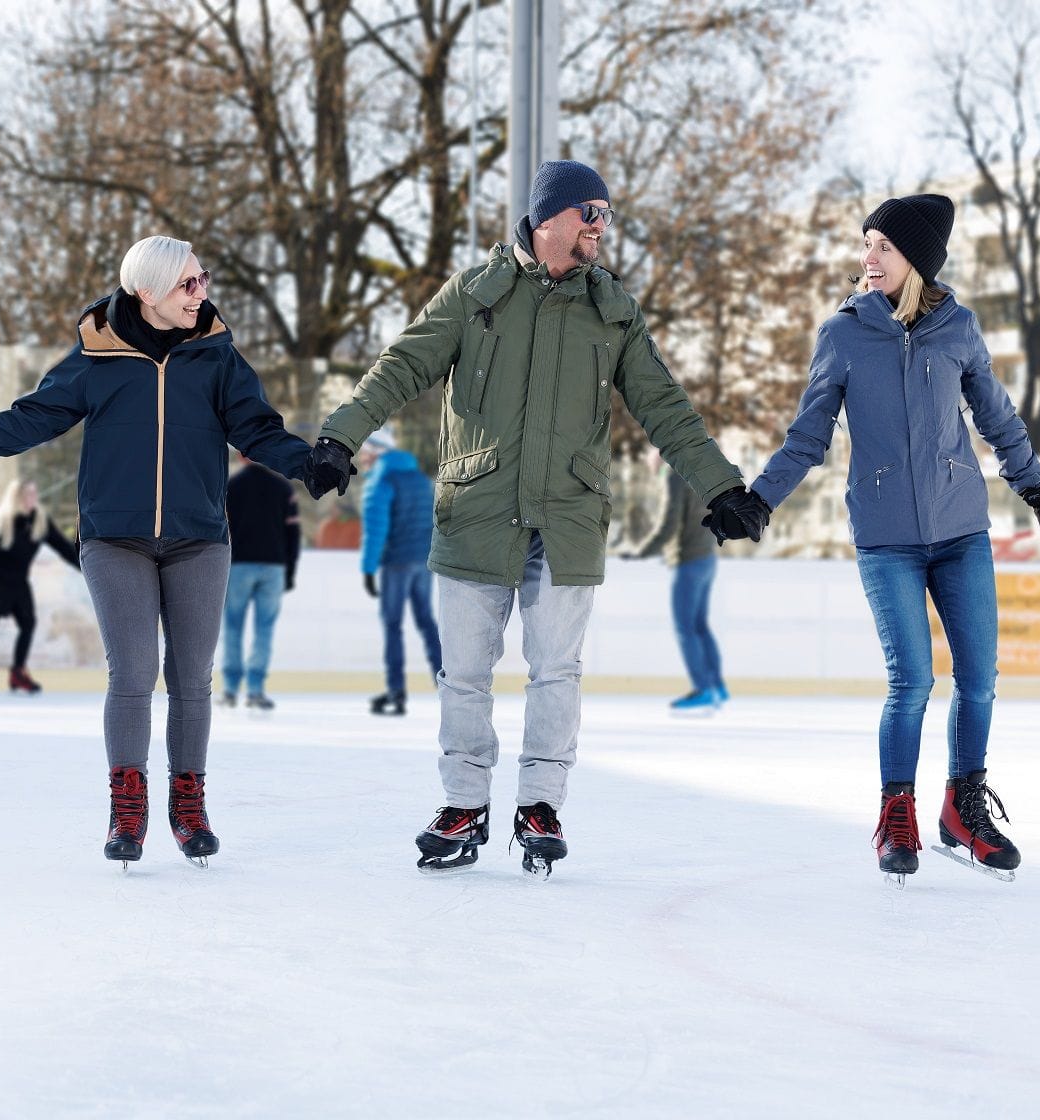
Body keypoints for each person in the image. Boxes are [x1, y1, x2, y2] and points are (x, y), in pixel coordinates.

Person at [302, 160, 759, 877]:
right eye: (591, 214)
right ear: (549, 217)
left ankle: (539, 805)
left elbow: (663, 406)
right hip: (477, 511)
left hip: (568, 516)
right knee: (464, 675)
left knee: (556, 672)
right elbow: (400, 368)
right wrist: (338, 437)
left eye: (605, 216)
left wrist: (721, 486)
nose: (601, 229)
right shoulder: (474, 295)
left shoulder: (612, 310)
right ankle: (464, 803)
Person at [0, 235, 313, 867]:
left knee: (192, 678)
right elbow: (26, 420)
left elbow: (256, 428)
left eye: (204, 279)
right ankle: (127, 805)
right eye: (188, 284)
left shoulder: (216, 355)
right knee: (133, 675)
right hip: (115, 538)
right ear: (148, 293)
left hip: (198, 537)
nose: (202, 293)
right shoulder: (96, 356)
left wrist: (308, 461)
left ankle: (188, 804)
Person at [732, 193, 1040, 882]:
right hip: (887, 536)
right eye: (867, 244)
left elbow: (998, 420)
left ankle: (963, 809)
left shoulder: (959, 329)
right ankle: (898, 814)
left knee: (979, 680)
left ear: (914, 260)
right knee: (912, 681)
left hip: (960, 531)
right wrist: (758, 499)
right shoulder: (845, 334)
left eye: (882, 247)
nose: (868, 257)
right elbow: (809, 437)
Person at [630, 462, 729, 713]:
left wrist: (642, 553)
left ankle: (704, 690)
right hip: (708, 558)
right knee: (700, 626)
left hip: (690, 560)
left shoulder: (679, 476)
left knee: (686, 628)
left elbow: (670, 524)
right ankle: (717, 686)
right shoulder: (710, 472)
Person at [0, 478, 81, 695]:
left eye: (34, 494)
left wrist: (86, 567)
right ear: (17, 497)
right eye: (27, 494)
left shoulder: (40, 521)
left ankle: (18, 673)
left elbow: (63, 548)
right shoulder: (6, 520)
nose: (32, 498)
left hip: (18, 581)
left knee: (28, 623)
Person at [358, 426, 442, 716]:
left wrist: (368, 570)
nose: (361, 455)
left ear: (377, 450)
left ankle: (396, 691)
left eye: (365, 449)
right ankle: (446, 684)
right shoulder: (419, 478)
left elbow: (375, 531)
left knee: (393, 624)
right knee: (426, 621)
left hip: (396, 563)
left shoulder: (380, 481)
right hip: (423, 561)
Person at [220, 454, 301, 710]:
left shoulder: (231, 486)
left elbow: (220, 529)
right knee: (264, 630)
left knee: (233, 627)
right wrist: (289, 572)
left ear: (242, 457)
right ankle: (255, 690)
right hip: (273, 567)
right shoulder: (283, 487)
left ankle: (231, 689)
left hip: (238, 566)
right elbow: (294, 534)